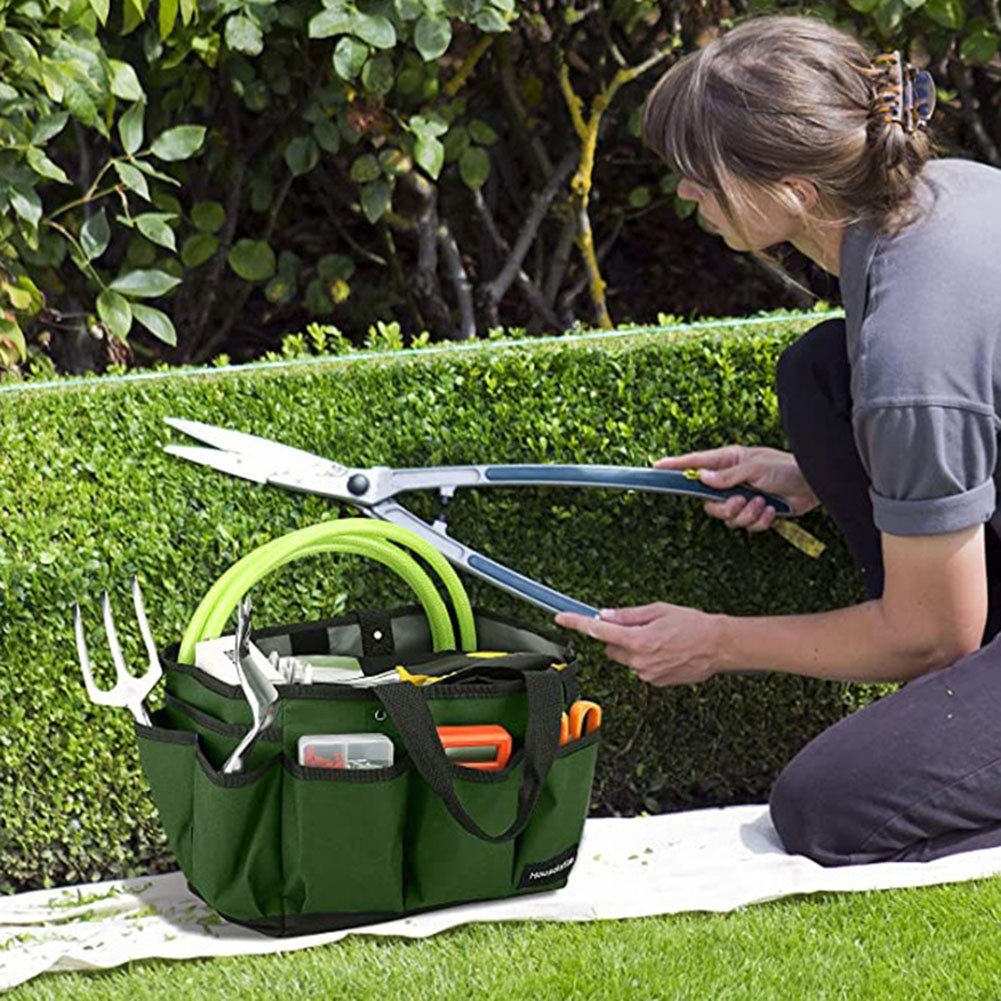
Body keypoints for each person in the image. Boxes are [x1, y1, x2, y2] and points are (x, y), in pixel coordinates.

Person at [554, 12, 1001, 867]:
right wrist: (811, 472)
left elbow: (933, 634)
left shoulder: (911, 344)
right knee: (818, 374)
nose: (685, 194)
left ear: (792, 190)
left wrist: (715, 639)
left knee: (827, 807)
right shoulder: (942, 194)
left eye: (700, 176)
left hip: (942, 612)